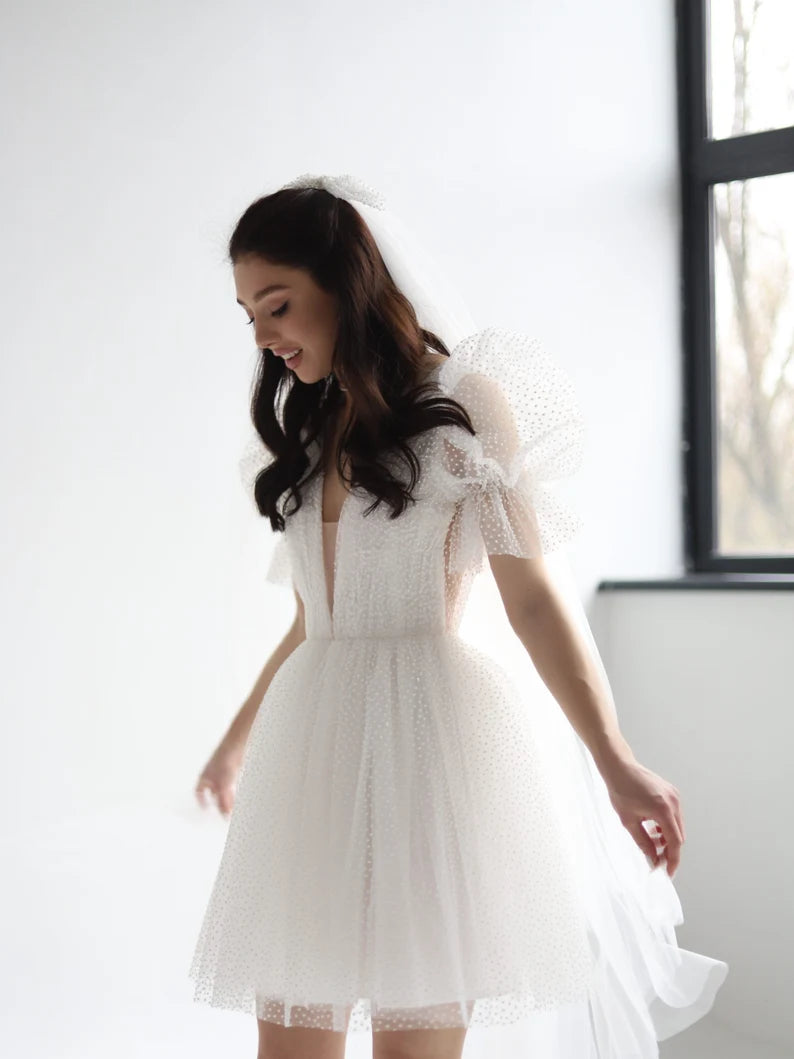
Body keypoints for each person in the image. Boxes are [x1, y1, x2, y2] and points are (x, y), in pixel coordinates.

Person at [188, 174, 729, 1059]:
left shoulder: (465, 406)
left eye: (276, 305)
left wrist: (614, 757)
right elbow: (312, 621)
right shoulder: (313, 425)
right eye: (248, 314)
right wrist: (234, 741)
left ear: (346, 281)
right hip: (311, 749)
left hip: (427, 745)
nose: (262, 336)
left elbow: (533, 600)